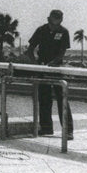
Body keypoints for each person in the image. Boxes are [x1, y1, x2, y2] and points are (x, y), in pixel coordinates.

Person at [27, 9, 74, 140]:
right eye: (53, 22)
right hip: (42, 67)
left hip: (56, 68)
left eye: (58, 22)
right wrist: (36, 64)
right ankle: (46, 127)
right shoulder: (41, 30)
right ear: (49, 19)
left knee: (62, 98)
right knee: (44, 99)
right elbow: (30, 49)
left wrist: (54, 63)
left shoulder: (64, 32)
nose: (55, 25)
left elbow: (62, 52)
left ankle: (68, 130)